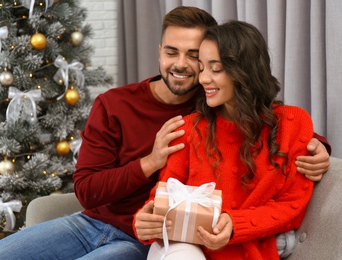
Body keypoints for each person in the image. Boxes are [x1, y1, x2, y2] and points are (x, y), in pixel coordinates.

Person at [0, 6, 330, 260]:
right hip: (93, 221)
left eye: (197, 57)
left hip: (145, 239)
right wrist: (150, 161)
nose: (185, 66)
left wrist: (317, 146)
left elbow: (267, 123)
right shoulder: (116, 104)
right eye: (172, 51)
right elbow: (86, 190)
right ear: (159, 52)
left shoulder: (211, 108)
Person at [134, 20, 319, 259]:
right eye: (202, 67)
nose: (203, 79)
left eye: (215, 69)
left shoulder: (293, 123)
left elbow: (293, 206)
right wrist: (146, 219)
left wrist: (235, 223)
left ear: (244, 71)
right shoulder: (190, 128)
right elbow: (165, 194)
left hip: (246, 245)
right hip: (184, 246)